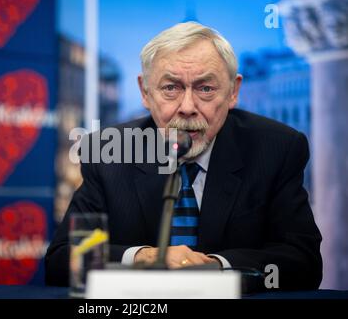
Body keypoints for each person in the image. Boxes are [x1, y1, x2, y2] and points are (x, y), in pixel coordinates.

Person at [45, 22, 322, 291]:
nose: (187, 107)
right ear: (145, 91)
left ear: (233, 92)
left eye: (205, 89)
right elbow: (60, 263)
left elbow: (303, 263)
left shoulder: (276, 149)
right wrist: (143, 257)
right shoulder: (109, 151)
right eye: (171, 88)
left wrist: (218, 267)